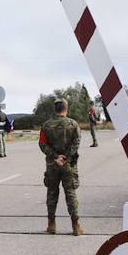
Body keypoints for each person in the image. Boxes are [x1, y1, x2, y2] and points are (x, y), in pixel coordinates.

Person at [40, 98, 82, 236]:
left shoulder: (46, 126)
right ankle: (75, 226)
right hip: (68, 165)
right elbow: (76, 143)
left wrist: (55, 157)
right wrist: (66, 158)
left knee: (52, 193)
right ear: (66, 108)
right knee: (70, 193)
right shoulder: (73, 124)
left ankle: (51, 224)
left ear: (55, 109)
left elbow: (42, 144)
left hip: (52, 165)